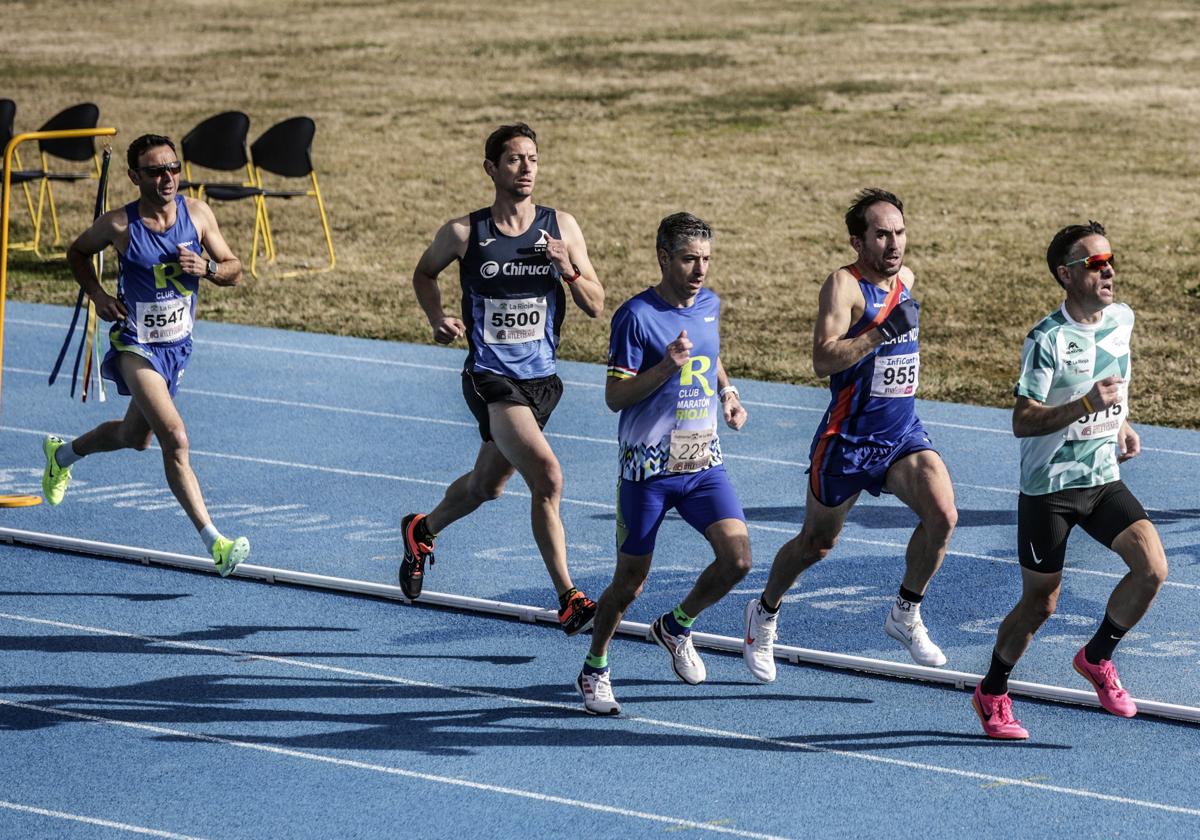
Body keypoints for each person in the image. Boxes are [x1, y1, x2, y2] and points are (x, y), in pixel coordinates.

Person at [742, 188, 958, 683]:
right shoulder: (844, 286)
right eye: (881, 234)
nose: (894, 243)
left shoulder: (906, 278)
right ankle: (765, 612)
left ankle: (905, 613)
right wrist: (880, 333)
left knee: (943, 515)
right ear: (857, 241)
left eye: (899, 232)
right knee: (817, 544)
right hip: (848, 439)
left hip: (901, 432)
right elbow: (823, 359)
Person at [402, 123, 604, 634]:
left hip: (542, 381)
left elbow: (597, 305)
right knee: (548, 477)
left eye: (533, 158)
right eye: (515, 159)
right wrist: (437, 318)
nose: (527, 168)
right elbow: (424, 273)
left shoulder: (562, 227)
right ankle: (568, 596)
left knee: (487, 487)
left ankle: (422, 530)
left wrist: (568, 269)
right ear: (491, 168)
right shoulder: (465, 233)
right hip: (491, 377)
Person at [971, 221, 1168, 739]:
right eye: (1094, 265)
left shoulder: (1121, 319)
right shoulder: (1046, 340)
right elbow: (1023, 420)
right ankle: (992, 690)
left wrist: (1120, 423)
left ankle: (1096, 657)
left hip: (1100, 477)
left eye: (1110, 261)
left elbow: (1112, 386)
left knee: (1152, 568)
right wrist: (1084, 406)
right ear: (1066, 275)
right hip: (1050, 489)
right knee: (1042, 604)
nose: (1108, 272)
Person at [40, 134, 249, 574]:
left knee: (135, 438)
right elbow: (77, 252)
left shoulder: (197, 214)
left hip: (177, 347)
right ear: (135, 177)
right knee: (175, 438)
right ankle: (217, 543)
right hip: (135, 346)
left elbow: (234, 268)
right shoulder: (119, 225)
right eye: (155, 171)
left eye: (173, 168)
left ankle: (61, 456)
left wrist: (207, 268)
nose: (167, 178)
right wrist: (97, 294)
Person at [576, 212, 750, 715]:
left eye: (707, 260)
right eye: (690, 259)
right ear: (664, 258)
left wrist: (728, 394)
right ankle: (596, 667)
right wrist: (665, 366)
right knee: (629, 583)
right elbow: (614, 396)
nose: (700, 270)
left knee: (738, 559)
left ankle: (676, 626)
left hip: (701, 465)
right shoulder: (635, 316)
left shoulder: (710, 305)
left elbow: (711, 355)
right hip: (647, 472)